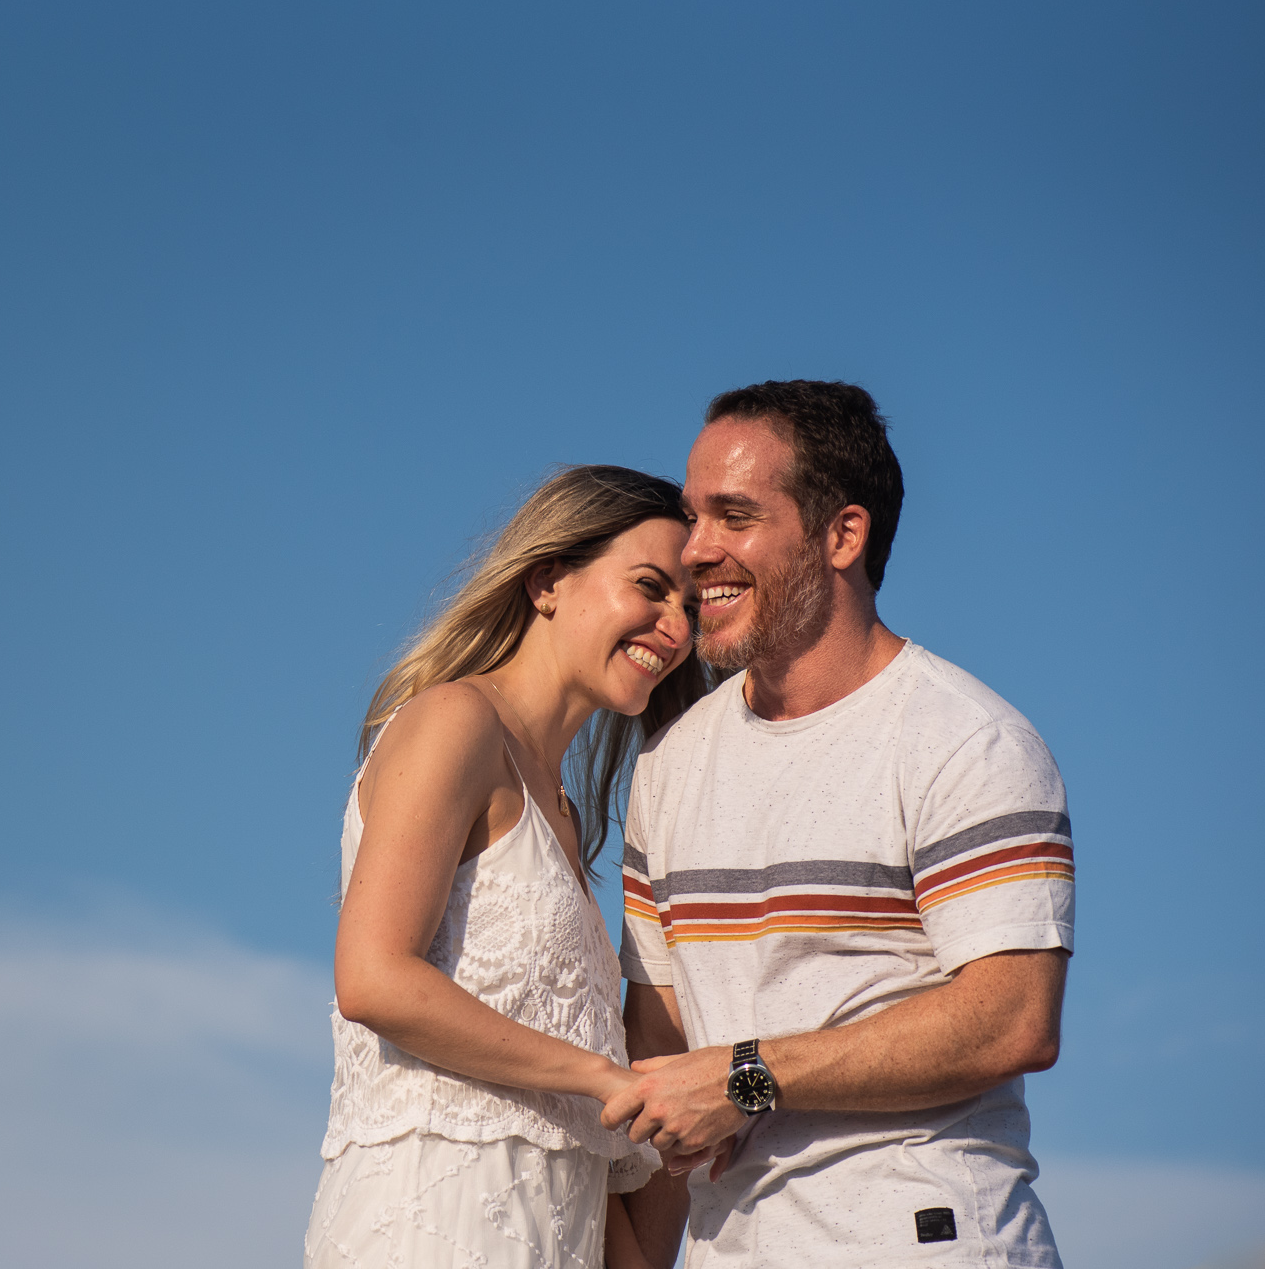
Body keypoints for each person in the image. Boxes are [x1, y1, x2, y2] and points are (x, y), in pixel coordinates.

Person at [603, 381, 1074, 1267]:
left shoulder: (966, 739)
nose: (695, 548)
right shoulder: (667, 766)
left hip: (922, 1241)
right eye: (692, 515)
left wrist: (749, 1077)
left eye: (734, 515)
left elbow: (1013, 1018)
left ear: (842, 535)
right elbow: (664, 1053)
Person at [305, 465, 712, 1269]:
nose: (675, 626)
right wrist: (602, 1079)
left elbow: (559, 1125)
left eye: (692, 607)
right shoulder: (455, 722)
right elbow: (373, 976)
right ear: (548, 580)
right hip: (427, 1226)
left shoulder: (564, 819)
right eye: (651, 586)